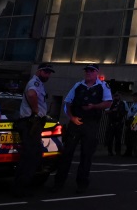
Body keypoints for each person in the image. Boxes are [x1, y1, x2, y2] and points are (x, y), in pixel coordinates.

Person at [52, 64, 112, 193]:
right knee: (67, 153)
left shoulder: (102, 86)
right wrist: (71, 117)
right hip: (76, 122)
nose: (88, 73)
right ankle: (58, 183)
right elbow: (68, 102)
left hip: (91, 123)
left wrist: (94, 107)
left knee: (86, 154)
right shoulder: (78, 85)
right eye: (86, 71)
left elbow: (108, 103)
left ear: (96, 73)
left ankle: (82, 184)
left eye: (91, 71)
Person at [13, 63, 54, 196]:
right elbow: (31, 94)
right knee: (31, 155)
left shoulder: (39, 84)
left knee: (33, 154)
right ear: (39, 71)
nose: (48, 75)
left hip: (32, 122)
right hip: (31, 122)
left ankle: (22, 185)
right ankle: (21, 187)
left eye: (49, 73)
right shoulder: (35, 83)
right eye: (46, 72)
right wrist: (36, 111)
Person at [105, 90, 127, 156]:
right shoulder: (111, 103)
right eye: (116, 95)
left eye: (119, 95)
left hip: (119, 122)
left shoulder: (123, 103)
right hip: (112, 122)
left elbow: (126, 111)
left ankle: (118, 151)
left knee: (118, 138)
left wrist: (121, 114)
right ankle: (110, 151)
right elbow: (106, 111)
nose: (117, 97)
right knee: (110, 138)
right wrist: (112, 110)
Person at [123, 92, 137, 156]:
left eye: (134, 96)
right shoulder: (134, 104)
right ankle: (128, 150)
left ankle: (130, 151)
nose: (133, 98)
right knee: (128, 137)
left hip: (134, 122)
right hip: (130, 121)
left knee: (131, 136)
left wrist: (132, 119)